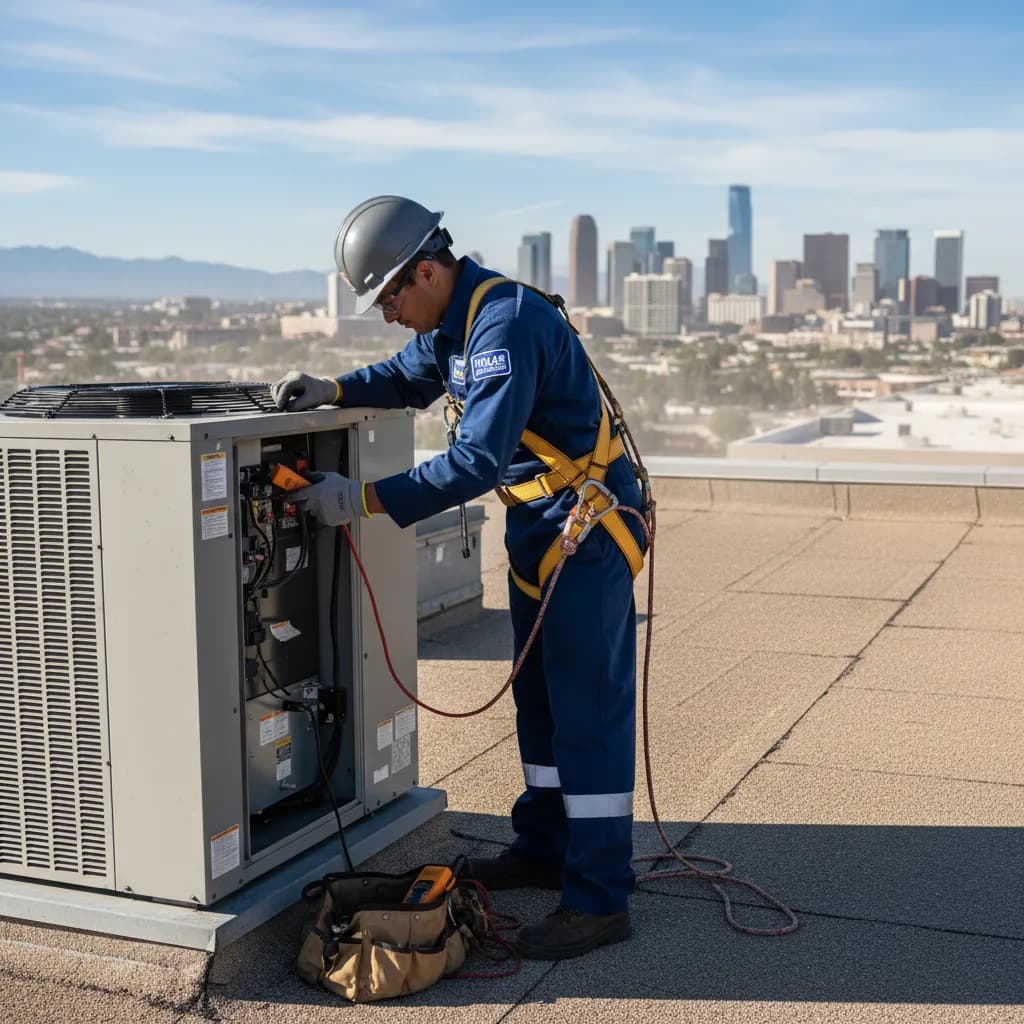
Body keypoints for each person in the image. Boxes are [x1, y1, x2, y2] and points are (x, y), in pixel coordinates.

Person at [273, 195, 646, 961]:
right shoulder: (457, 322)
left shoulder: (503, 325)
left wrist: (362, 500)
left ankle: (599, 897)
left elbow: (474, 460)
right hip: (544, 523)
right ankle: (543, 846)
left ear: (429, 270)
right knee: (538, 694)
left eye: (389, 298)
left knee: (587, 709)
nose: (387, 315)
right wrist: (334, 390)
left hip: (586, 528)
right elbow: (408, 377)